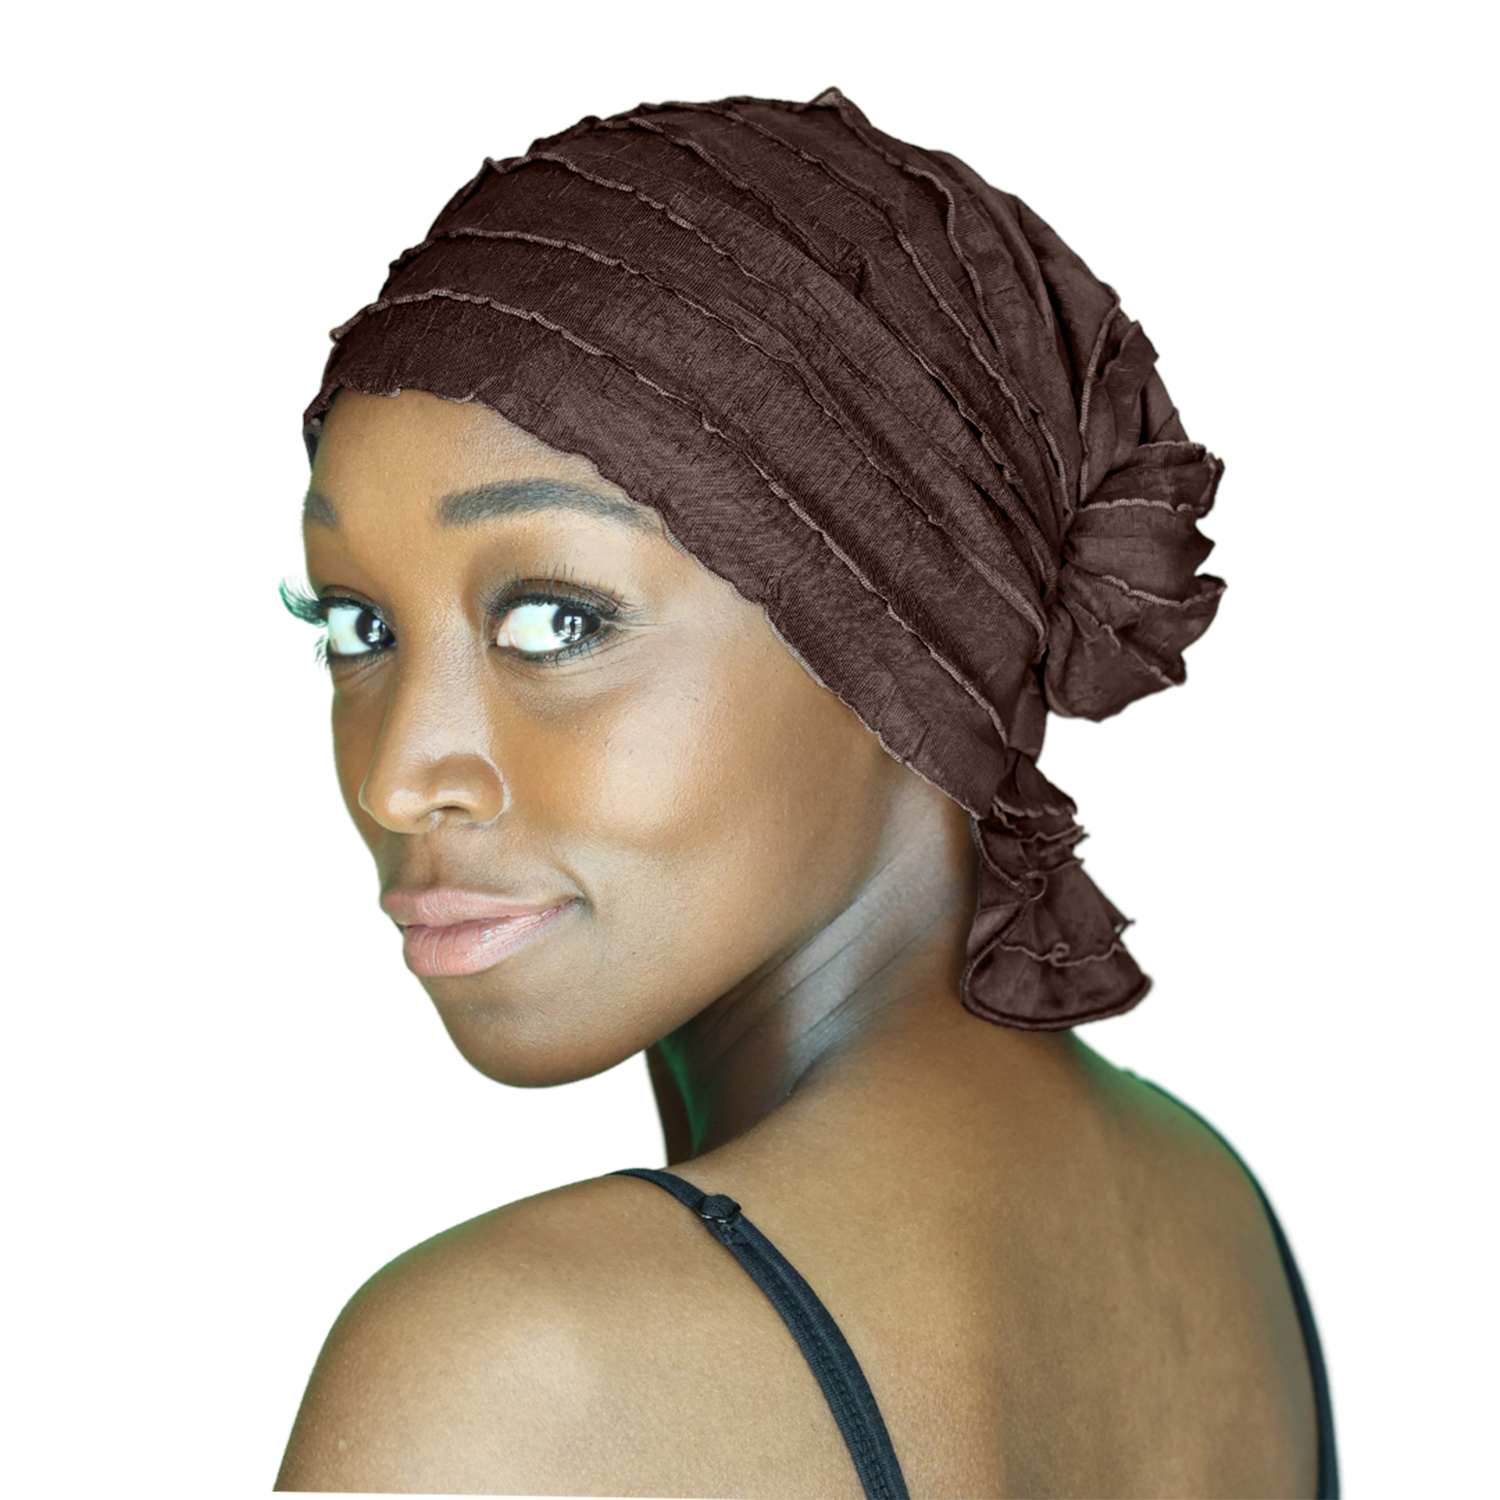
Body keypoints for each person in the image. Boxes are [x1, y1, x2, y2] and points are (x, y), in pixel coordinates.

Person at [274, 90, 1336, 1497]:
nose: (401, 773)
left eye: (556, 621)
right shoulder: (1209, 1209)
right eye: (356, 626)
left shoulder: (519, 1378)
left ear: (896, 638)